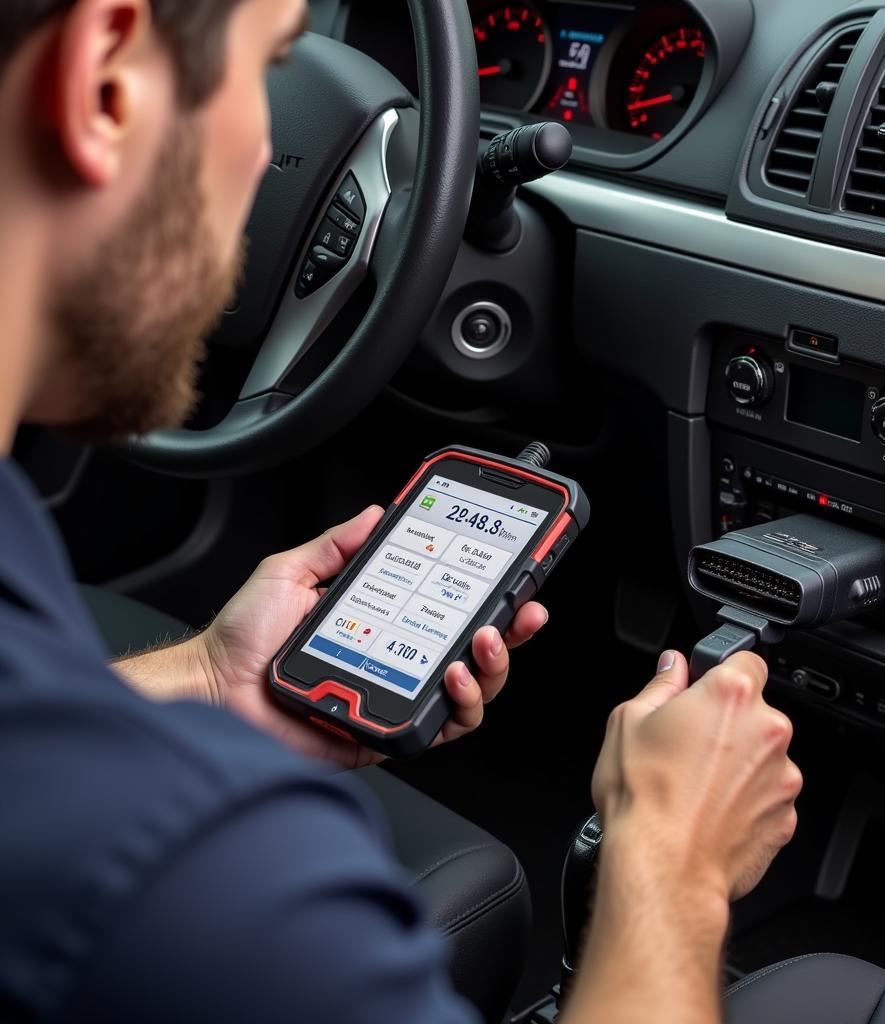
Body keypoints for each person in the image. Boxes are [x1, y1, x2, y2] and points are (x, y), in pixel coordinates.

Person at [0, 1, 802, 1021]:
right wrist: (671, 858)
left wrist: (206, 677)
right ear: (105, 84)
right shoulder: (205, 880)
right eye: (269, 70)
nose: (271, 152)